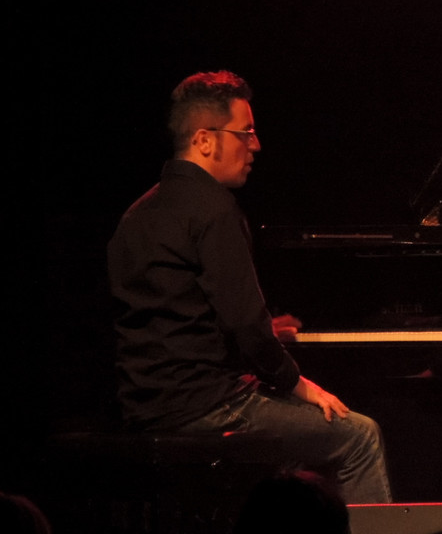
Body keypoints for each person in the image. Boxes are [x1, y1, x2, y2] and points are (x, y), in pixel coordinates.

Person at [107, 70, 392, 504]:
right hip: (207, 408)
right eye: (246, 133)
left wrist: (261, 332)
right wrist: (300, 384)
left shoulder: (137, 214)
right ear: (205, 140)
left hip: (145, 407)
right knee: (359, 436)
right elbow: (246, 327)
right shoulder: (214, 208)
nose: (255, 146)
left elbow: (169, 315)